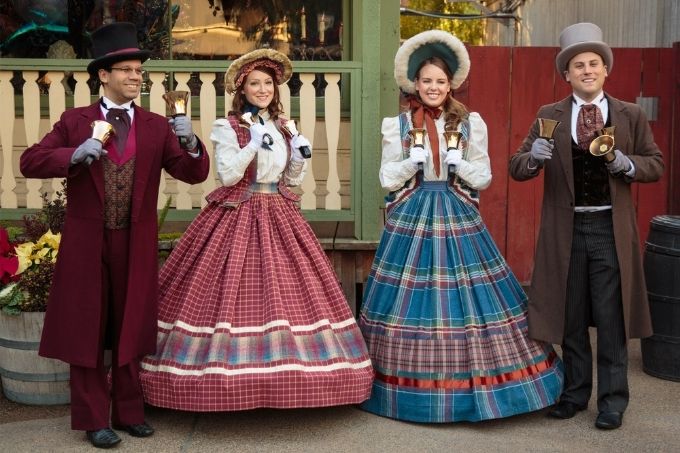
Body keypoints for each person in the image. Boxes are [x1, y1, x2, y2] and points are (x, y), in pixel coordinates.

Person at [139, 48, 374, 411]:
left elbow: (291, 180)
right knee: (230, 286)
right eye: (255, 83)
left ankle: (294, 377)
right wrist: (251, 144)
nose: (262, 89)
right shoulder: (226, 126)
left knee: (291, 290)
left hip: (278, 211)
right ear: (242, 89)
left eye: (268, 83)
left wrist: (298, 153)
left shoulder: (284, 127)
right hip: (238, 210)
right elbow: (229, 175)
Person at [19, 22, 210, 449]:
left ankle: (129, 412)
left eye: (139, 71)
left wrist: (192, 142)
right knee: (87, 327)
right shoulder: (75, 120)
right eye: (126, 70)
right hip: (87, 243)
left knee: (130, 325)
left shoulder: (158, 126)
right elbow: (30, 161)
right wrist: (74, 153)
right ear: (103, 75)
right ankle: (92, 419)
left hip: (134, 241)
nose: (135, 77)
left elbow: (192, 173)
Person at [358, 30, 564, 423]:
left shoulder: (471, 123)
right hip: (411, 220)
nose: (433, 87)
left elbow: (483, 177)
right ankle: (403, 392)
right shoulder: (396, 125)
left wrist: (457, 163)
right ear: (414, 84)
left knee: (468, 303)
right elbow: (387, 178)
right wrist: (412, 161)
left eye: (440, 81)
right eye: (426, 81)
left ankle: (487, 390)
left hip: (458, 215)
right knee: (411, 304)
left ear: (450, 84)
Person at [509, 23, 664, 430]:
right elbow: (517, 167)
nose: (587, 70)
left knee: (611, 317)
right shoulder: (549, 116)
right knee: (571, 315)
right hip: (567, 232)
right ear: (567, 73)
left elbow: (655, 163)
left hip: (610, 231)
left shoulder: (629, 115)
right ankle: (575, 394)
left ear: (605, 69)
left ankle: (612, 401)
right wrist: (534, 157)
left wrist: (626, 163)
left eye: (594, 63)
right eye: (578, 65)